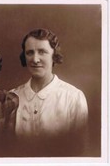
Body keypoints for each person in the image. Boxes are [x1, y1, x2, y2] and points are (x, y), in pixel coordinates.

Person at [11, 28, 88, 156]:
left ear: (54, 55)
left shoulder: (74, 98)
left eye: (42, 52)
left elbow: (79, 150)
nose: (35, 59)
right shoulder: (12, 97)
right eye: (30, 52)